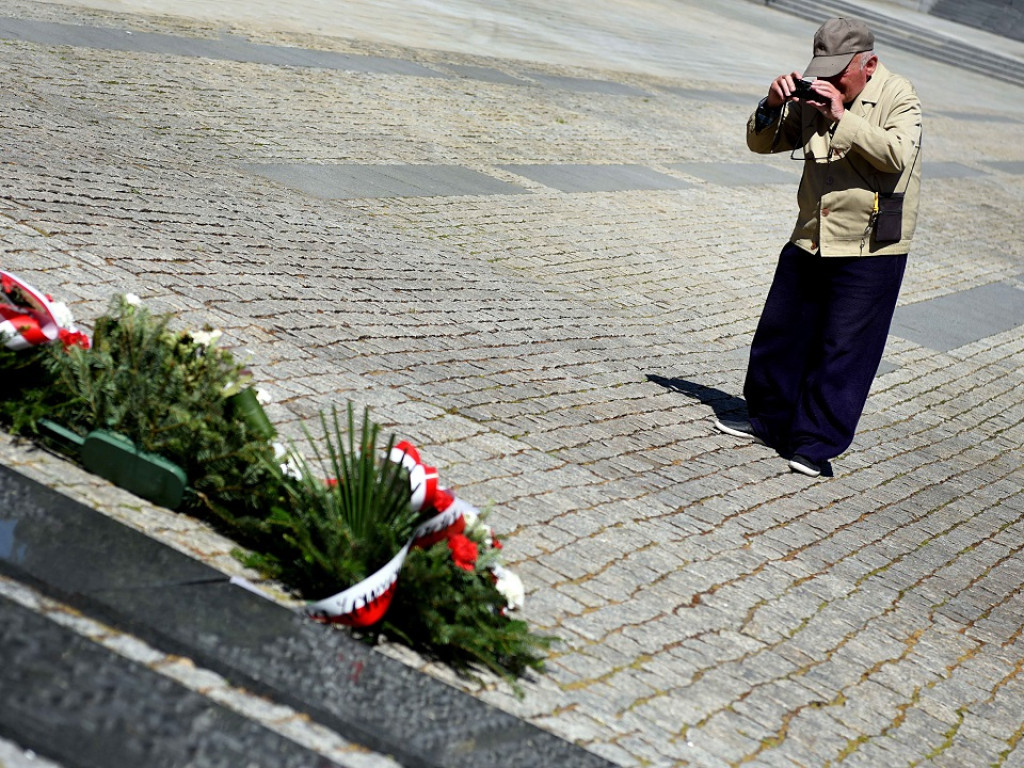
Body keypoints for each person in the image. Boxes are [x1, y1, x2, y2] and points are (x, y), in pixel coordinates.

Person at [715, 17, 922, 477]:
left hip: (871, 245)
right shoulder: (817, 91)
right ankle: (766, 420)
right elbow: (762, 143)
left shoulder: (899, 95)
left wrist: (842, 118)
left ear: (868, 65)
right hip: (812, 232)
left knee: (844, 347)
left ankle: (814, 444)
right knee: (781, 332)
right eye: (820, 69)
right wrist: (771, 105)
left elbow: (897, 155)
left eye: (837, 73)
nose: (827, 80)